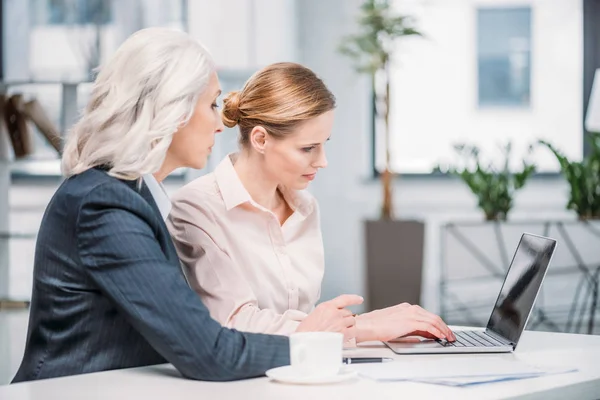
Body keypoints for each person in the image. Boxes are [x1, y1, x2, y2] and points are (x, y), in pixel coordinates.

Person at [12, 29, 361, 384]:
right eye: (211, 104)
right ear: (172, 109)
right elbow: (208, 352)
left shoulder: (140, 195)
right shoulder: (104, 205)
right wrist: (310, 341)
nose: (219, 122)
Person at [167, 62, 456, 343]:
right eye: (308, 148)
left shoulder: (305, 208)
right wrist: (363, 326)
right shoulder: (196, 209)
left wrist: (363, 330)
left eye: (324, 144)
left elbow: (310, 326)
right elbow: (233, 323)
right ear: (261, 140)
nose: (323, 162)